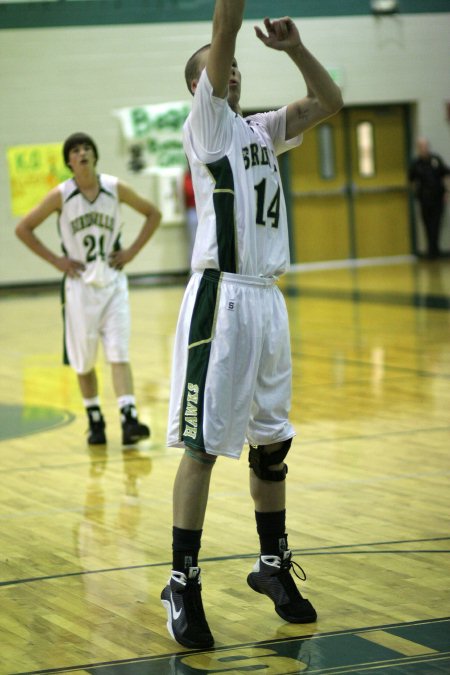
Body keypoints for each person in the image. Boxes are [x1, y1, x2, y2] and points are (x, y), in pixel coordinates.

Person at [160, 0, 343, 650]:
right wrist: (228, 31)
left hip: (269, 299)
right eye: (221, 66)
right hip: (223, 299)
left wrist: (294, 48)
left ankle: (271, 564)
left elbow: (330, 100)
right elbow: (225, 24)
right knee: (204, 447)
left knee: (271, 445)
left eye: (237, 67)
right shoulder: (206, 124)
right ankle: (182, 580)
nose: (232, 69)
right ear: (201, 84)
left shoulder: (262, 131)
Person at [15, 132, 161, 446]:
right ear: (69, 161)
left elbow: (153, 213)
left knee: (119, 353)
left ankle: (129, 418)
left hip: (113, 283)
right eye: (76, 150)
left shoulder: (114, 187)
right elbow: (22, 228)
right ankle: (95, 420)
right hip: (79, 287)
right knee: (84, 361)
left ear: (95, 156)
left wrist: (132, 252)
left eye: (87, 148)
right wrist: (56, 260)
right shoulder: (61, 194)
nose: (82, 153)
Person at [409, 137, 450, 259]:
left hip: (437, 198)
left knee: (436, 224)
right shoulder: (416, 164)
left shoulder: (436, 160)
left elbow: (446, 175)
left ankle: (435, 250)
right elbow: (411, 181)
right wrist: (416, 193)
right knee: (427, 224)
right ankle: (431, 251)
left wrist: (447, 191)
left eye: (425, 146)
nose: (424, 149)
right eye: (421, 147)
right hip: (424, 199)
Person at [183, 164, 198, 266]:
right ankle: (193, 269)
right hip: (192, 212)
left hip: (202, 213)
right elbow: (188, 193)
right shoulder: (187, 177)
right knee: (193, 242)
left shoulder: (199, 175)